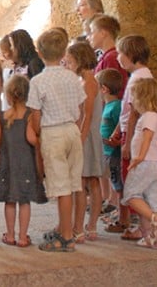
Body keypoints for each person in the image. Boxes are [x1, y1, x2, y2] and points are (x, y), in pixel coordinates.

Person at [27, 29, 85, 252]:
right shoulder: (72, 77)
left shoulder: (39, 80)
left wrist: (39, 133)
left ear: (40, 53)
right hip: (72, 129)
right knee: (71, 183)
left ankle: (66, 236)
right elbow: (80, 106)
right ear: (63, 52)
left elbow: (35, 112)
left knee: (61, 187)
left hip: (52, 131)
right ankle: (64, 226)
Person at [0, 75, 46, 248]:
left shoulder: (2, 116)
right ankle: (23, 237)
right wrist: (41, 141)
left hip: (7, 164)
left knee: (10, 201)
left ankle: (10, 235)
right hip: (25, 164)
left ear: (8, 95)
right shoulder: (30, 115)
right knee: (24, 201)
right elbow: (31, 139)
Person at [111, 34, 154, 240]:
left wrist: (127, 141)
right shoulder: (143, 75)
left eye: (120, 53)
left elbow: (134, 111)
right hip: (133, 130)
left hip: (135, 133)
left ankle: (141, 226)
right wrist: (118, 128)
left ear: (130, 55)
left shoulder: (137, 78)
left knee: (132, 180)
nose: (118, 57)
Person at [122, 78, 157, 249]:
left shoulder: (148, 116)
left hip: (145, 163)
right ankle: (151, 237)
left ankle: (153, 217)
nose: (133, 101)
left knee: (131, 196)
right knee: (150, 199)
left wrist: (139, 157)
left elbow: (147, 137)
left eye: (134, 97)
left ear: (143, 98)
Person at [65, 41, 104, 242]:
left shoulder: (89, 82)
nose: (68, 65)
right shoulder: (83, 81)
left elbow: (87, 115)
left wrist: (79, 141)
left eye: (70, 61)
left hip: (87, 136)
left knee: (87, 181)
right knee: (85, 181)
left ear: (80, 60)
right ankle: (81, 225)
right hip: (84, 134)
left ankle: (84, 226)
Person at [96, 68, 124, 227]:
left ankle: (120, 210)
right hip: (106, 150)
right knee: (112, 179)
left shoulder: (116, 106)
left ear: (104, 89)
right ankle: (115, 206)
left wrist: (116, 141)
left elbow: (121, 128)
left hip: (113, 151)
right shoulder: (106, 106)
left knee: (117, 182)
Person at [88, 14, 128, 95]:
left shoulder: (111, 58)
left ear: (103, 33)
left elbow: (112, 90)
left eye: (92, 32)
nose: (88, 37)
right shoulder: (106, 56)